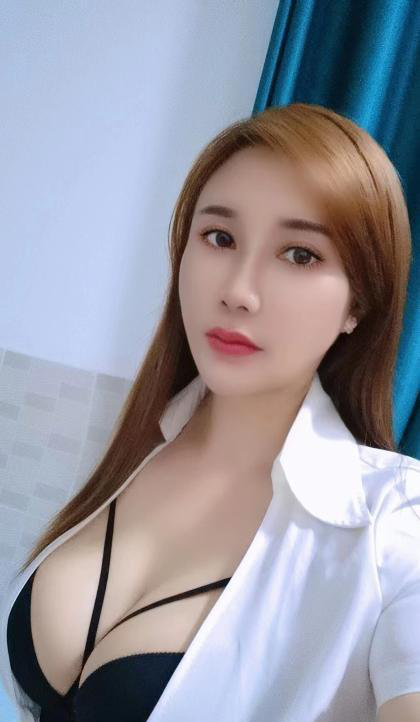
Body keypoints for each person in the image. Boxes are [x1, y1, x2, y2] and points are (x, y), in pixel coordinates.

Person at [1, 102, 420, 722]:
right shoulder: (143, 446)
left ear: (358, 304)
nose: (238, 291)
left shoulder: (395, 525)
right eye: (220, 238)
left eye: (300, 254)